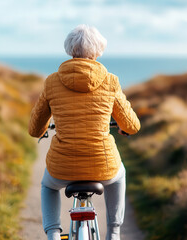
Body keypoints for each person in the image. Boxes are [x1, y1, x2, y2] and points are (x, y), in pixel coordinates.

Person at [28, 24, 140, 240]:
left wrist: (44, 128)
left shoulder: (52, 82)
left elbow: (35, 129)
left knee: (48, 186)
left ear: (70, 50)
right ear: (98, 51)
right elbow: (132, 126)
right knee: (119, 175)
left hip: (63, 167)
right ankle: (115, 232)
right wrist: (123, 129)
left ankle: (52, 234)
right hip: (102, 164)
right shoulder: (110, 81)